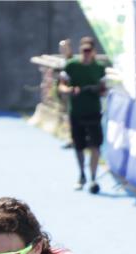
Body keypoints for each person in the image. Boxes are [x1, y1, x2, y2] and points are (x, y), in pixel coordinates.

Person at [57, 36, 106, 193]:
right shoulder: (71, 66)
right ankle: (82, 174)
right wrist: (71, 90)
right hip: (76, 112)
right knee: (79, 146)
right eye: (83, 50)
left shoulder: (99, 68)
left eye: (88, 50)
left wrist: (97, 89)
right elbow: (61, 87)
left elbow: (104, 89)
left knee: (95, 147)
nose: (86, 53)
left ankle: (93, 177)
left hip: (93, 112)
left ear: (93, 52)